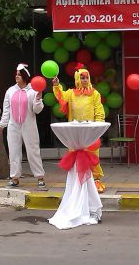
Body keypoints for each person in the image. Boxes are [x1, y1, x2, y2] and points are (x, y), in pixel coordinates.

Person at [52, 64, 106, 193]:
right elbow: (61, 96)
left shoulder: (95, 94)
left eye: (86, 77)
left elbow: (99, 111)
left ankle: (96, 179)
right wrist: (56, 85)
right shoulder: (71, 94)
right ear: (77, 79)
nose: (85, 80)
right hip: (75, 131)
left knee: (93, 155)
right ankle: (77, 179)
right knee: (75, 154)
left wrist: (98, 127)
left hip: (90, 131)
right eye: (82, 78)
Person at [0, 63, 46, 188]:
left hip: (29, 125)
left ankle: (40, 177)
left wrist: (38, 99)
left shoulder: (33, 91)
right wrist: (2, 125)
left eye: (19, 75)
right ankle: (14, 178)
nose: (16, 77)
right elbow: (6, 110)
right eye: (16, 74)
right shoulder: (10, 91)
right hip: (13, 126)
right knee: (14, 151)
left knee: (33, 151)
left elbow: (37, 110)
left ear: (25, 76)